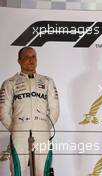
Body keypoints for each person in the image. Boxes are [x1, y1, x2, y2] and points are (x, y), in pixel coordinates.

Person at [0, 47, 60, 176]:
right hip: (19, 134)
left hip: (42, 133)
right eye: (27, 57)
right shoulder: (9, 83)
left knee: (42, 173)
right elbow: (3, 112)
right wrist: (17, 128)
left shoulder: (47, 81)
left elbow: (55, 110)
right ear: (19, 61)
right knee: (17, 172)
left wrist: (42, 126)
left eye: (33, 57)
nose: (31, 60)